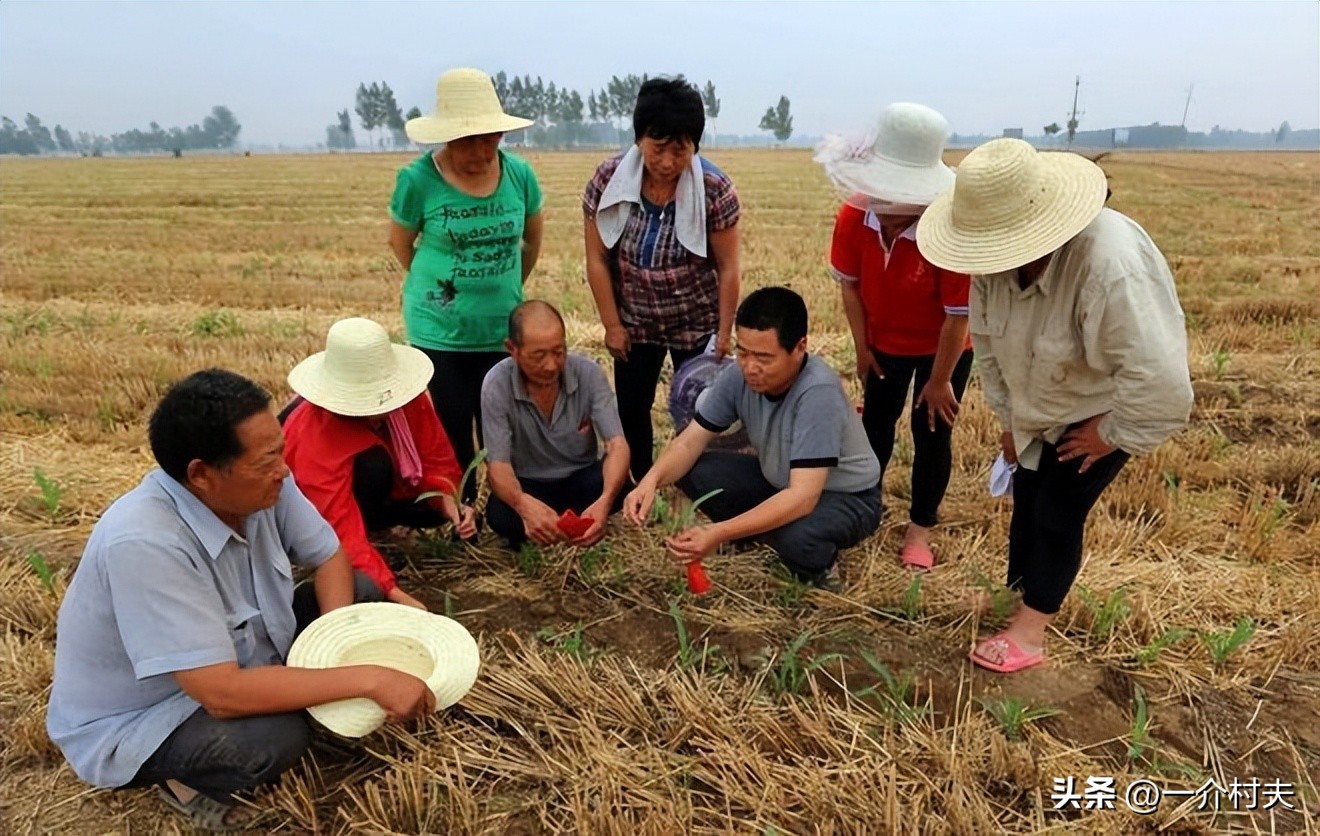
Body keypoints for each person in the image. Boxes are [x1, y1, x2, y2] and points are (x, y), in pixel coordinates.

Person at [46, 370, 435, 831]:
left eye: (280, 452)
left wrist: (337, 652)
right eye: (267, 460)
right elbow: (221, 694)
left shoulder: (267, 481)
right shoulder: (145, 542)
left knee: (360, 589)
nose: (284, 471)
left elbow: (330, 555)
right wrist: (367, 678)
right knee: (273, 738)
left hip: (243, 656)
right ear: (201, 475)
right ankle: (184, 783)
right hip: (158, 711)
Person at [915, 138, 1193, 673]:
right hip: (1038, 403)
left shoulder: (1108, 265)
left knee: (1059, 508)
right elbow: (989, 348)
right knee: (1028, 499)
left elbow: (1161, 381)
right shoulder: (991, 262)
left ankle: (1032, 629)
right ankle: (1019, 596)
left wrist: (1110, 432)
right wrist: (1011, 422)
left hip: (1099, 408)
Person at [624, 287, 882, 588]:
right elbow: (689, 441)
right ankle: (758, 530)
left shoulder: (818, 393)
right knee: (697, 470)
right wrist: (650, 481)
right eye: (742, 352)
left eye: (763, 357)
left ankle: (818, 567)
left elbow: (803, 497)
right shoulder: (738, 374)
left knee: (796, 537)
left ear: (800, 347)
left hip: (846, 496)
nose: (750, 367)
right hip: (779, 481)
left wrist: (719, 532)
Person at [816, 102, 973, 570]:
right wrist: (862, 349)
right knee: (874, 429)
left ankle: (920, 527)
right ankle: (865, 503)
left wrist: (941, 379)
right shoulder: (852, 219)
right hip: (882, 343)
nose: (886, 208)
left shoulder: (949, 232)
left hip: (942, 348)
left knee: (931, 434)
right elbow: (851, 287)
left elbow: (957, 317)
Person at [390, 67, 545, 501]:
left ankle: (508, 507)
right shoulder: (418, 180)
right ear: (445, 138)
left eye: (489, 137)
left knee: (500, 422)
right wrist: (440, 293)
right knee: (453, 424)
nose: (480, 150)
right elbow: (402, 244)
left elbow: (531, 242)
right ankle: (464, 512)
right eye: (467, 140)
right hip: (439, 332)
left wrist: (503, 290)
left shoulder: (520, 176)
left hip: (500, 329)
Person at [583, 75, 741, 482]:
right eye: (658, 148)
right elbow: (598, 258)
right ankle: (638, 481)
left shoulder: (714, 188)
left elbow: (728, 268)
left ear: (695, 146)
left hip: (695, 319)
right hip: (635, 321)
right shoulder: (608, 180)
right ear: (639, 139)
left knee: (697, 409)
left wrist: (723, 335)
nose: (668, 162)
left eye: (681, 149)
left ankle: (689, 485)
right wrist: (612, 325)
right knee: (632, 408)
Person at [281, 318, 478, 616]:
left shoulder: (406, 400)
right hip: (319, 510)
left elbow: (436, 458)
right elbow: (335, 530)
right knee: (373, 468)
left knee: (430, 511)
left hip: (383, 494)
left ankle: (377, 525)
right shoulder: (314, 434)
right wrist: (396, 594)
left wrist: (447, 500)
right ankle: (371, 532)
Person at [481, 300, 630, 549]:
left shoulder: (589, 374)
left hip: (580, 478)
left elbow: (617, 445)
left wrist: (604, 501)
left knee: (618, 487)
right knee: (500, 515)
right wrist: (523, 504)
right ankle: (547, 524)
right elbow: (498, 467)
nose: (551, 365)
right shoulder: (496, 384)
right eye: (538, 356)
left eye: (559, 352)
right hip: (529, 484)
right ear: (512, 349)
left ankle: (580, 520)